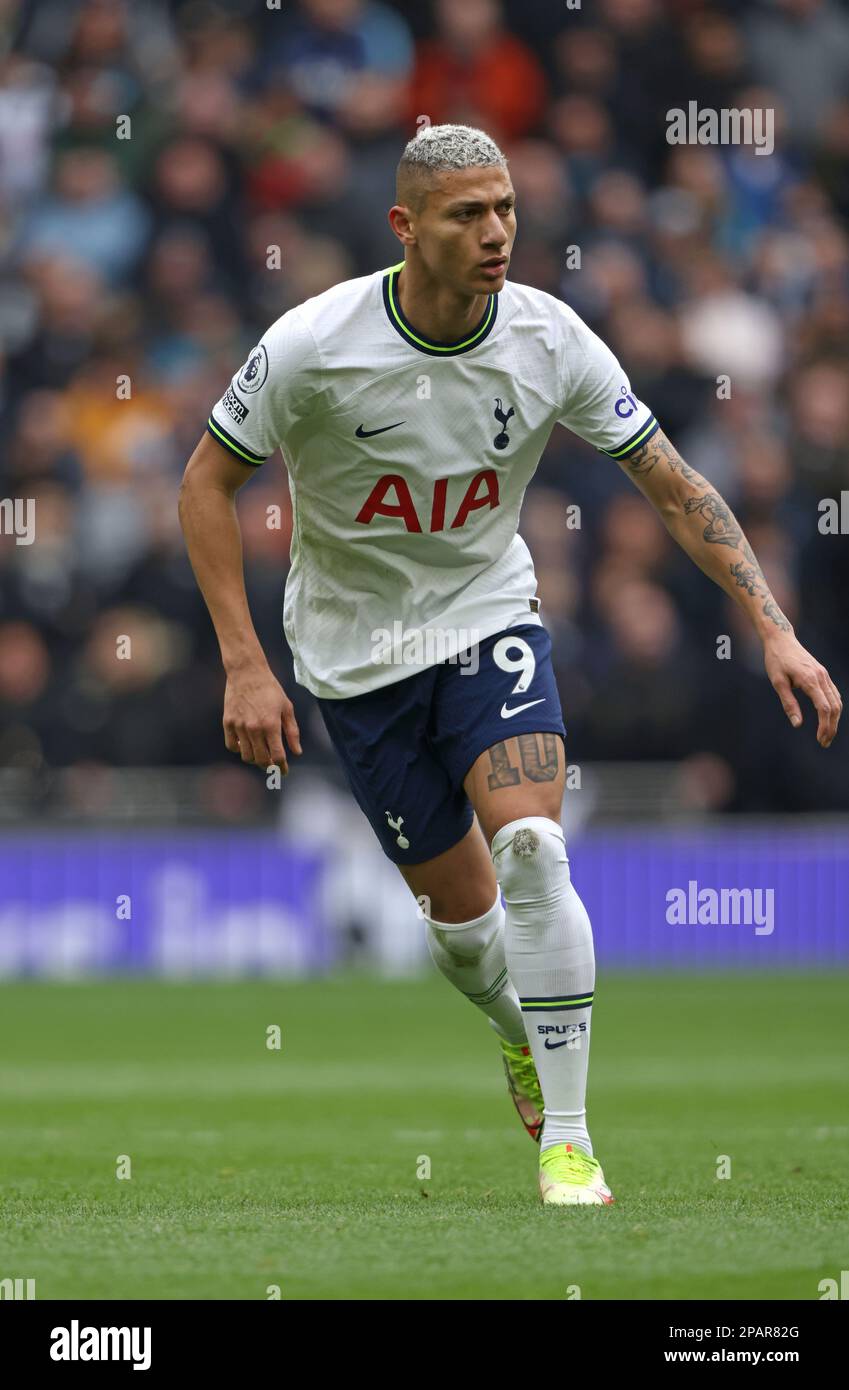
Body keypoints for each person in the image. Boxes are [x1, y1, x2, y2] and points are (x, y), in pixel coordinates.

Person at [178, 124, 842, 1207]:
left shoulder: (550, 339)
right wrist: (243, 664)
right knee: (465, 933)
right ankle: (516, 1035)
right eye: (467, 215)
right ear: (405, 227)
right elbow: (205, 483)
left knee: (535, 848)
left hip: (490, 619)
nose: (496, 234)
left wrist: (771, 624)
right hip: (355, 658)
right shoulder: (312, 343)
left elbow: (674, 483)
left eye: (506, 210)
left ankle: (569, 1142)